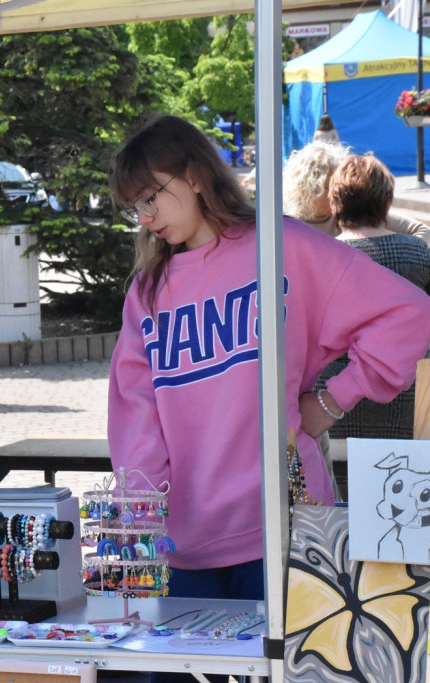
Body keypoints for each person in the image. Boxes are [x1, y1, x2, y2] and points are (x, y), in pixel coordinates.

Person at [106, 115, 430, 631]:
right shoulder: (147, 293)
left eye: (152, 197)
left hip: (288, 525)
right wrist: (141, 526)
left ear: (194, 176)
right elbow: (137, 420)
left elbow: (408, 315)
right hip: (184, 547)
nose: (145, 217)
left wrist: (330, 402)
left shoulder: (283, 247)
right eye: (135, 206)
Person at [316, 153, 430, 439]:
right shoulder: (418, 253)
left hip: (330, 413)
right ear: (388, 202)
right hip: (413, 412)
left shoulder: (319, 260)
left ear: (334, 202)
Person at [283, 140, 430, 245]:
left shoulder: (349, 211)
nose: (340, 192)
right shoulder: (286, 222)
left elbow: (421, 230)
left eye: (340, 185)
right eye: (333, 186)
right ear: (309, 188)